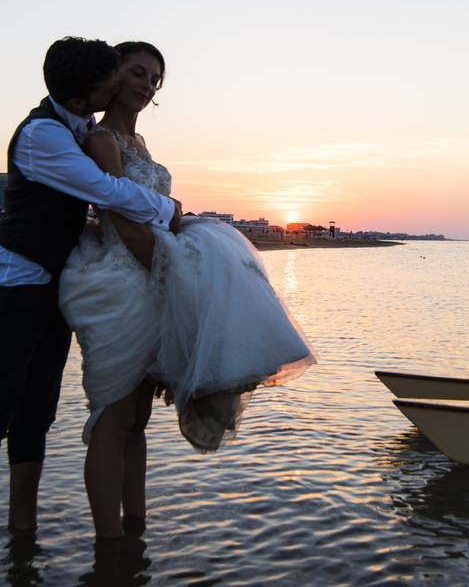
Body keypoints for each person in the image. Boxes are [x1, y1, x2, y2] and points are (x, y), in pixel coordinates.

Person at [57, 41, 315, 541]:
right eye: (136, 72)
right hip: (121, 280)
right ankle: (108, 547)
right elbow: (119, 218)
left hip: (152, 280)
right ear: (114, 74)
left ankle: (136, 531)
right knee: (113, 415)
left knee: (137, 420)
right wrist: (178, 280)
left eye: (154, 79)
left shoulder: (143, 147)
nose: (145, 84)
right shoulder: (102, 141)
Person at [0, 37, 183, 561]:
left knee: (38, 412)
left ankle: (21, 532)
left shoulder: (78, 125)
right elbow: (111, 194)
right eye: (124, 76)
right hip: (13, 281)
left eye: (150, 78)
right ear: (84, 98)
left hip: (56, 282)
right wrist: (173, 210)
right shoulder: (44, 136)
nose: (134, 86)